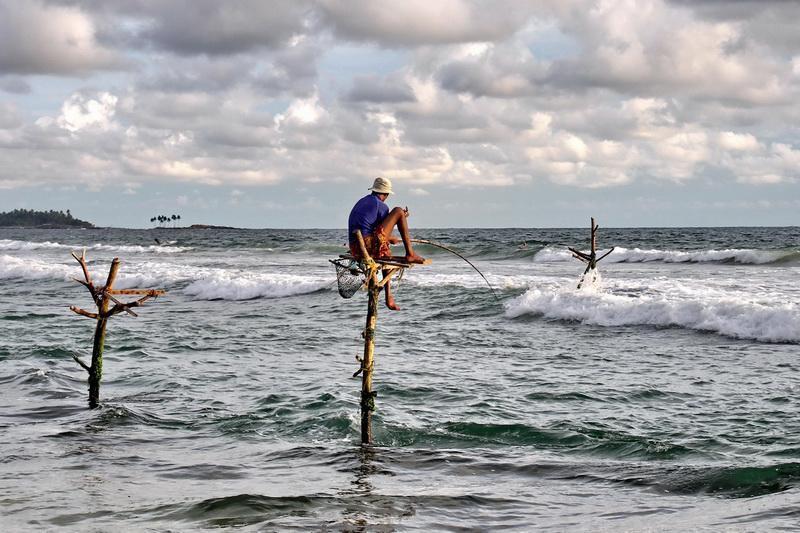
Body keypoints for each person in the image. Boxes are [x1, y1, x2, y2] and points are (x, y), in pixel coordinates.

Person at [348, 177, 425, 310]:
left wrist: (389, 238)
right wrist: (400, 216)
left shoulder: (363, 201)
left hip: (356, 247)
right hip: (366, 244)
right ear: (386, 194)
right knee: (398, 210)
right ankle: (410, 254)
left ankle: (389, 297)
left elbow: (377, 232)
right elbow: (381, 234)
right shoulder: (381, 205)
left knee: (386, 252)